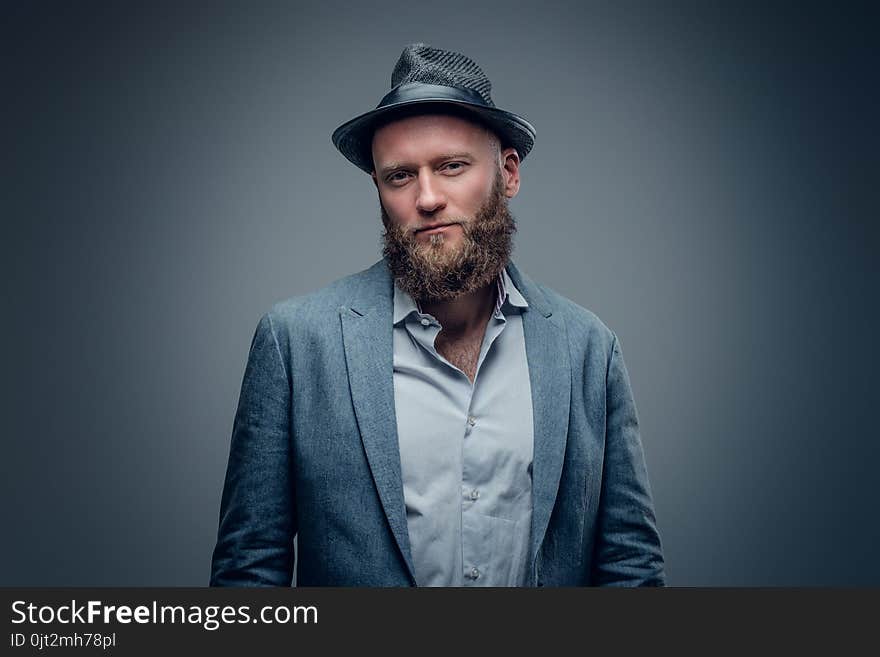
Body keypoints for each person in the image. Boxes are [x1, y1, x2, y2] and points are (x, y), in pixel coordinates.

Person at [210, 43, 664, 587]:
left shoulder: (588, 349)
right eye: (400, 176)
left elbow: (629, 568)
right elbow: (248, 572)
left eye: (451, 166)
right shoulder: (295, 344)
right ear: (378, 189)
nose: (427, 198)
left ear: (508, 173)